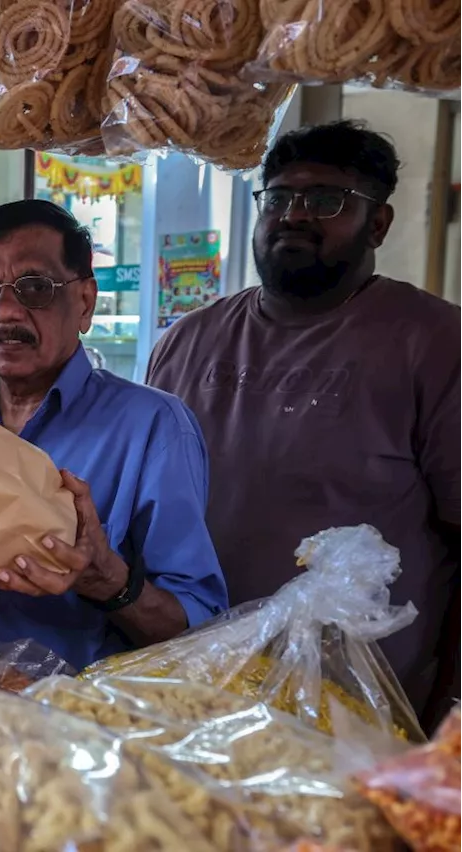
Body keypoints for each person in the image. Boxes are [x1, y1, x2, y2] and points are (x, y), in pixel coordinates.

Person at [147, 120, 462, 723]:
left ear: (378, 223)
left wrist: (448, 717)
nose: (294, 215)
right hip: (187, 690)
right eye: (280, 197)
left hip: (357, 712)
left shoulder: (435, 343)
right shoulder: (186, 341)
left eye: (326, 201)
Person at [0, 200, 228, 669]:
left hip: (80, 725)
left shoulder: (154, 428)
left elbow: (202, 632)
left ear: (85, 302)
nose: (3, 312)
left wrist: (108, 580)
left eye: (35, 288)